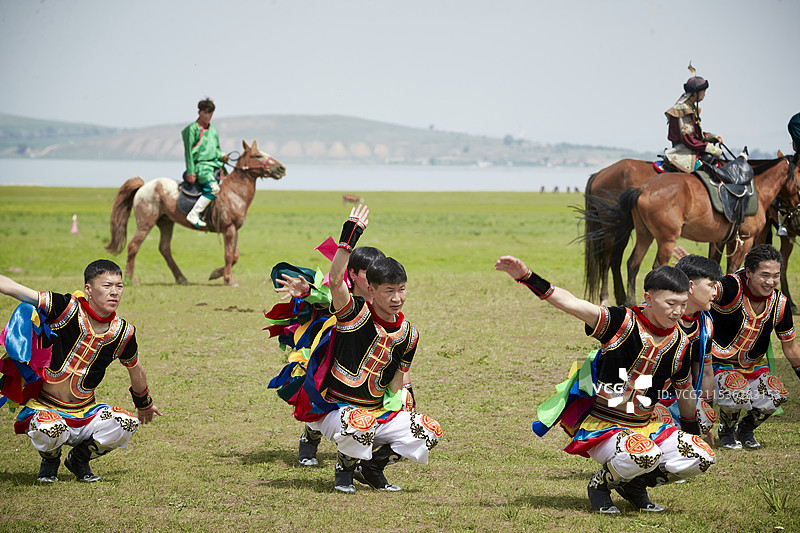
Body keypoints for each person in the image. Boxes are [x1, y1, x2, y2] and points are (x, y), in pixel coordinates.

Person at [496, 256, 715, 514]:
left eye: (682, 304)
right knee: (645, 454)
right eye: (670, 303)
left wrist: (691, 431)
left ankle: (631, 485)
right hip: (605, 426)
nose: (677, 312)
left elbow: (684, 390)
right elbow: (572, 304)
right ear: (649, 298)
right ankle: (600, 485)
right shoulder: (620, 322)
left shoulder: (681, 342)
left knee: (701, 456)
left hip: (644, 425)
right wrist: (528, 277)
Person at [297, 204, 440, 494]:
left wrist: (405, 399)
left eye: (402, 289)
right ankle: (344, 471)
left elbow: (399, 380)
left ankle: (372, 468)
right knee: (359, 422)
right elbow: (336, 281)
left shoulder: (409, 334)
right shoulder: (355, 315)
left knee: (428, 430)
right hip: (336, 411)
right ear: (372, 291)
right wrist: (349, 237)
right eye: (389, 291)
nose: (397, 298)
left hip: (376, 412)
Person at [0, 259, 161, 483]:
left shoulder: (123, 333)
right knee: (50, 428)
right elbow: (14, 289)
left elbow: (136, 369)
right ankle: (50, 460)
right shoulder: (65, 308)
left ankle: (79, 458)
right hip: (47, 408)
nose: (114, 292)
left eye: (119, 286)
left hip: (85, 412)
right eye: (107, 286)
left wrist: (144, 403)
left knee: (126, 423)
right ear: (89, 289)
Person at [709, 244, 800, 449]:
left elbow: (791, 347)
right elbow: (704, 291)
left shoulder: (779, 303)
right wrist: (697, 274)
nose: (770, 282)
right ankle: (727, 430)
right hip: (714, 366)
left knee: (777, 394)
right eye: (764, 275)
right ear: (748, 272)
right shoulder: (732, 287)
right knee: (737, 388)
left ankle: (746, 429)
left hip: (750, 367)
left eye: (776, 275)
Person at [651, 255, 723, 444]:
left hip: (680, 397)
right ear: (691, 286)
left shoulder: (705, 323)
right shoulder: (656, 317)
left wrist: (706, 415)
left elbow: (706, 372)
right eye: (711, 285)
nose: (715, 292)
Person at [664, 67, 724, 173]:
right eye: (703, 92)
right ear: (695, 94)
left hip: (692, 149)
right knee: (709, 160)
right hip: (684, 152)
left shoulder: (690, 108)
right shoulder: (683, 110)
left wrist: (712, 137)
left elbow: (696, 135)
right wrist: (712, 149)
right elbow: (689, 140)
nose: (705, 95)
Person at [182, 98, 229, 228]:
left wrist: (223, 156)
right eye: (205, 112)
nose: (208, 116)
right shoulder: (191, 129)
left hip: (215, 165)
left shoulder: (213, 130)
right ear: (199, 112)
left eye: (210, 113)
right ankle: (193, 214)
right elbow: (188, 153)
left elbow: (216, 150)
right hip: (201, 166)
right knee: (213, 189)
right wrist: (191, 172)